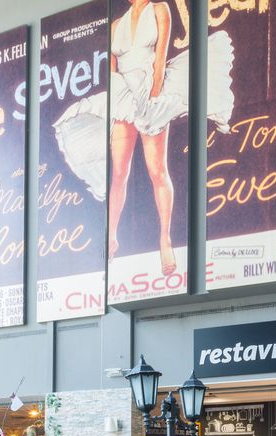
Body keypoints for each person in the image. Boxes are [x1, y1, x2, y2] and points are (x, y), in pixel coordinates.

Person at [107, 1, 234, 276]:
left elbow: (160, 61)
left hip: (151, 93)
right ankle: (111, 236)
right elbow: (112, 74)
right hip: (123, 99)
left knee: (157, 170)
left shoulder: (160, 9)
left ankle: (165, 239)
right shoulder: (116, 25)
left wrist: (152, 100)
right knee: (118, 172)